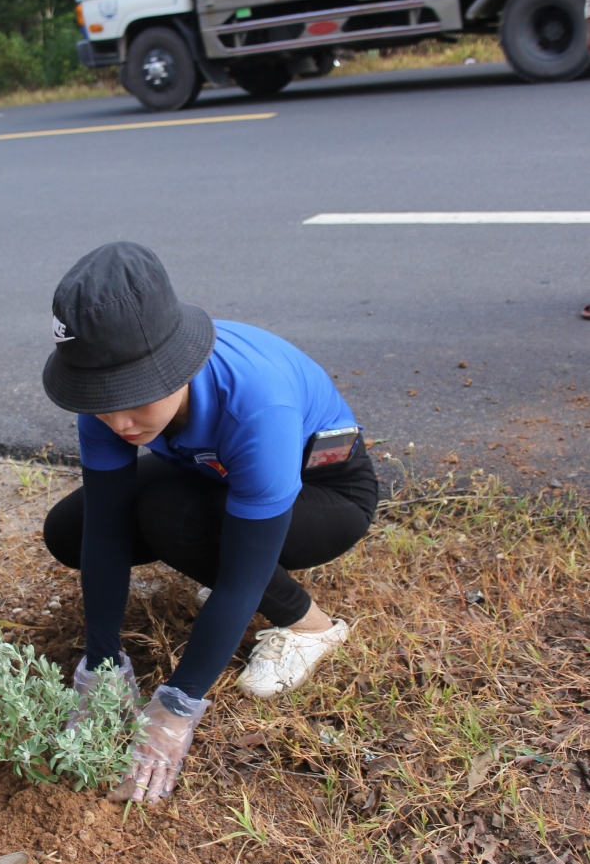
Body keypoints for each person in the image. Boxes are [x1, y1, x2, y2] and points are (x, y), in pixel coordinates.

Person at [41, 242, 377, 804]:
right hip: (212, 475)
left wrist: (177, 707)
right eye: (100, 399)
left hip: (325, 494)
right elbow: (105, 528)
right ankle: (206, 567)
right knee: (68, 530)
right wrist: (101, 663)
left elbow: (243, 577)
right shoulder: (109, 402)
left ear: (177, 365)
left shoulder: (257, 403)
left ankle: (310, 626)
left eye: (131, 398)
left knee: (174, 518)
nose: (117, 421)